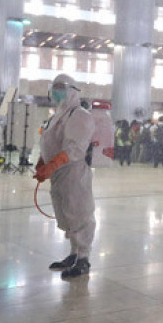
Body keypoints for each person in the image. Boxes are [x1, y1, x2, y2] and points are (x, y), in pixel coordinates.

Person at [35, 74, 96, 280]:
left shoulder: (80, 115)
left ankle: (83, 258)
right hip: (58, 173)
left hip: (73, 172)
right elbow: (50, 142)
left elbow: (74, 148)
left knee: (79, 214)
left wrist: (53, 163)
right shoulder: (57, 115)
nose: (56, 91)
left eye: (61, 87)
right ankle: (73, 254)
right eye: (54, 87)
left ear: (72, 90)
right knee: (66, 214)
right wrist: (43, 162)